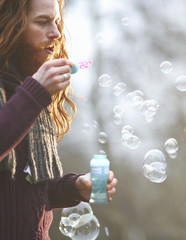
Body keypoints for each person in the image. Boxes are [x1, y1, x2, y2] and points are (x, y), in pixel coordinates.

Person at [0, 0, 118, 239]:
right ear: (8, 26)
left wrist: (75, 187)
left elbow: (27, 190)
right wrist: (35, 93)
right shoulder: (30, 96)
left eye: (57, 22)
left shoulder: (28, 94)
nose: (56, 33)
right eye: (43, 22)